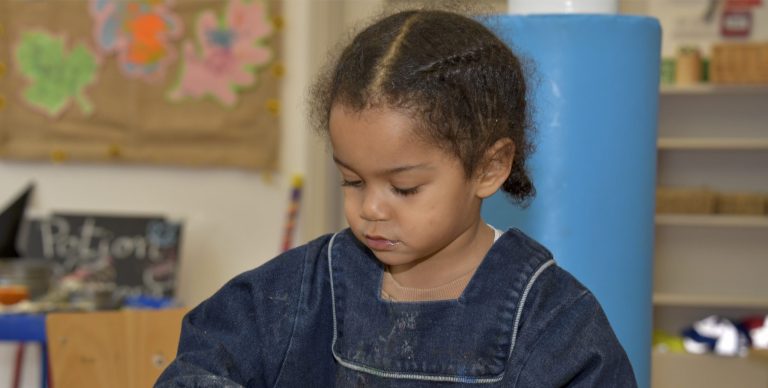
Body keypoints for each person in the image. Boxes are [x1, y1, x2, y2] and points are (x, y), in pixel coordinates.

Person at [156, 8, 636, 387]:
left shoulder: (554, 322)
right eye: (352, 180)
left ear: (489, 168)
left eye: (404, 188)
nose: (372, 209)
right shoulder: (299, 293)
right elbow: (200, 365)